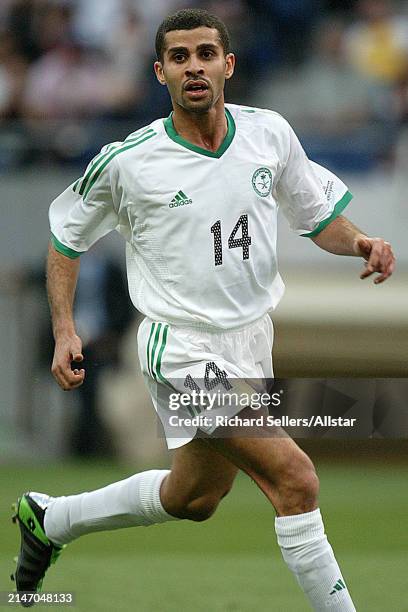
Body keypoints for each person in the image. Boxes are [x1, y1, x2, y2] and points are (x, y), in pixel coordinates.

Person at [11, 8, 395, 610]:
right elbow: (66, 238)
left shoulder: (269, 134)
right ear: (159, 71)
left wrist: (361, 242)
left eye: (206, 54)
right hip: (180, 345)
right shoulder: (128, 161)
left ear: (229, 65)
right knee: (295, 479)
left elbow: (316, 216)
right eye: (181, 58)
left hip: (248, 340)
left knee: (194, 498)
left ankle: (51, 519)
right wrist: (65, 328)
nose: (195, 67)